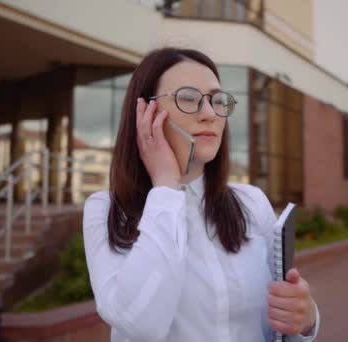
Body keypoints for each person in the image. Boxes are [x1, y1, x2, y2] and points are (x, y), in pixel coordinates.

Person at [83, 47, 320, 342]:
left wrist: (305, 319)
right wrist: (166, 185)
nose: (209, 114)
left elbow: (280, 327)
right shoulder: (107, 210)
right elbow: (141, 325)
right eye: (188, 98)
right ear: (145, 113)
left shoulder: (251, 203)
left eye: (216, 100)